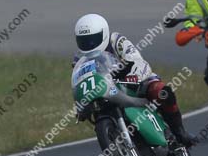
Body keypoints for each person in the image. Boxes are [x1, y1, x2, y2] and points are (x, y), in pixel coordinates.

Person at [73, 13, 196, 147]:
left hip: (136, 79)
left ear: (104, 33)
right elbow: (81, 79)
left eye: (93, 39)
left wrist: (131, 74)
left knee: (162, 91)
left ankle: (180, 132)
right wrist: (81, 103)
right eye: (84, 40)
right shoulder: (78, 58)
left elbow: (135, 58)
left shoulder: (116, 40)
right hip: (107, 90)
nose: (89, 44)